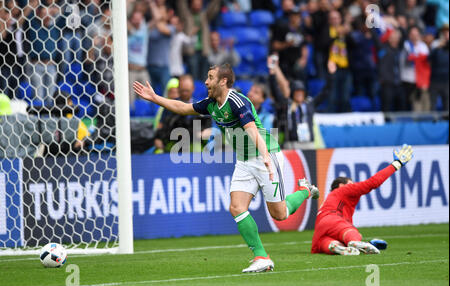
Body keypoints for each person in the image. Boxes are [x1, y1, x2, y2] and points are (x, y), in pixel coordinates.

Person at [134, 63, 320, 273]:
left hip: (265, 156)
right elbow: (184, 108)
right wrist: (155, 98)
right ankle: (262, 256)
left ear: (223, 81)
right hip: (244, 161)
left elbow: (252, 130)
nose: (205, 82)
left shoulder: (237, 102)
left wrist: (266, 157)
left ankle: (305, 190)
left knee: (280, 213)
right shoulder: (211, 103)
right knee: (236, 207)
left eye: (210, 77)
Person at [311, 144, 414, 255]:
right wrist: (396, 164)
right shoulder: (344, 190)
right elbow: (373, 182)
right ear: (342, 185)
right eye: (351, 183)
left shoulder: (330, 200)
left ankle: (334, 246)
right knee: (351, 232)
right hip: (334, 219)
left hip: (320, 231)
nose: (354, 186)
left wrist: (370, 243)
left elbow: (330, 227)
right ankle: (353, 241)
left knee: (326, 242)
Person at [269, 55, 336, 149]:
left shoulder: (309, 104)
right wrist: (272, 74)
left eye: (301, 92)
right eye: (296, 92)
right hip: (292, 144)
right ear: (292, 93)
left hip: (309, 143)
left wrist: (331, 75)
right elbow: (276, 92)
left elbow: (325, 92)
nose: (299, 94)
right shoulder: (287, 105)